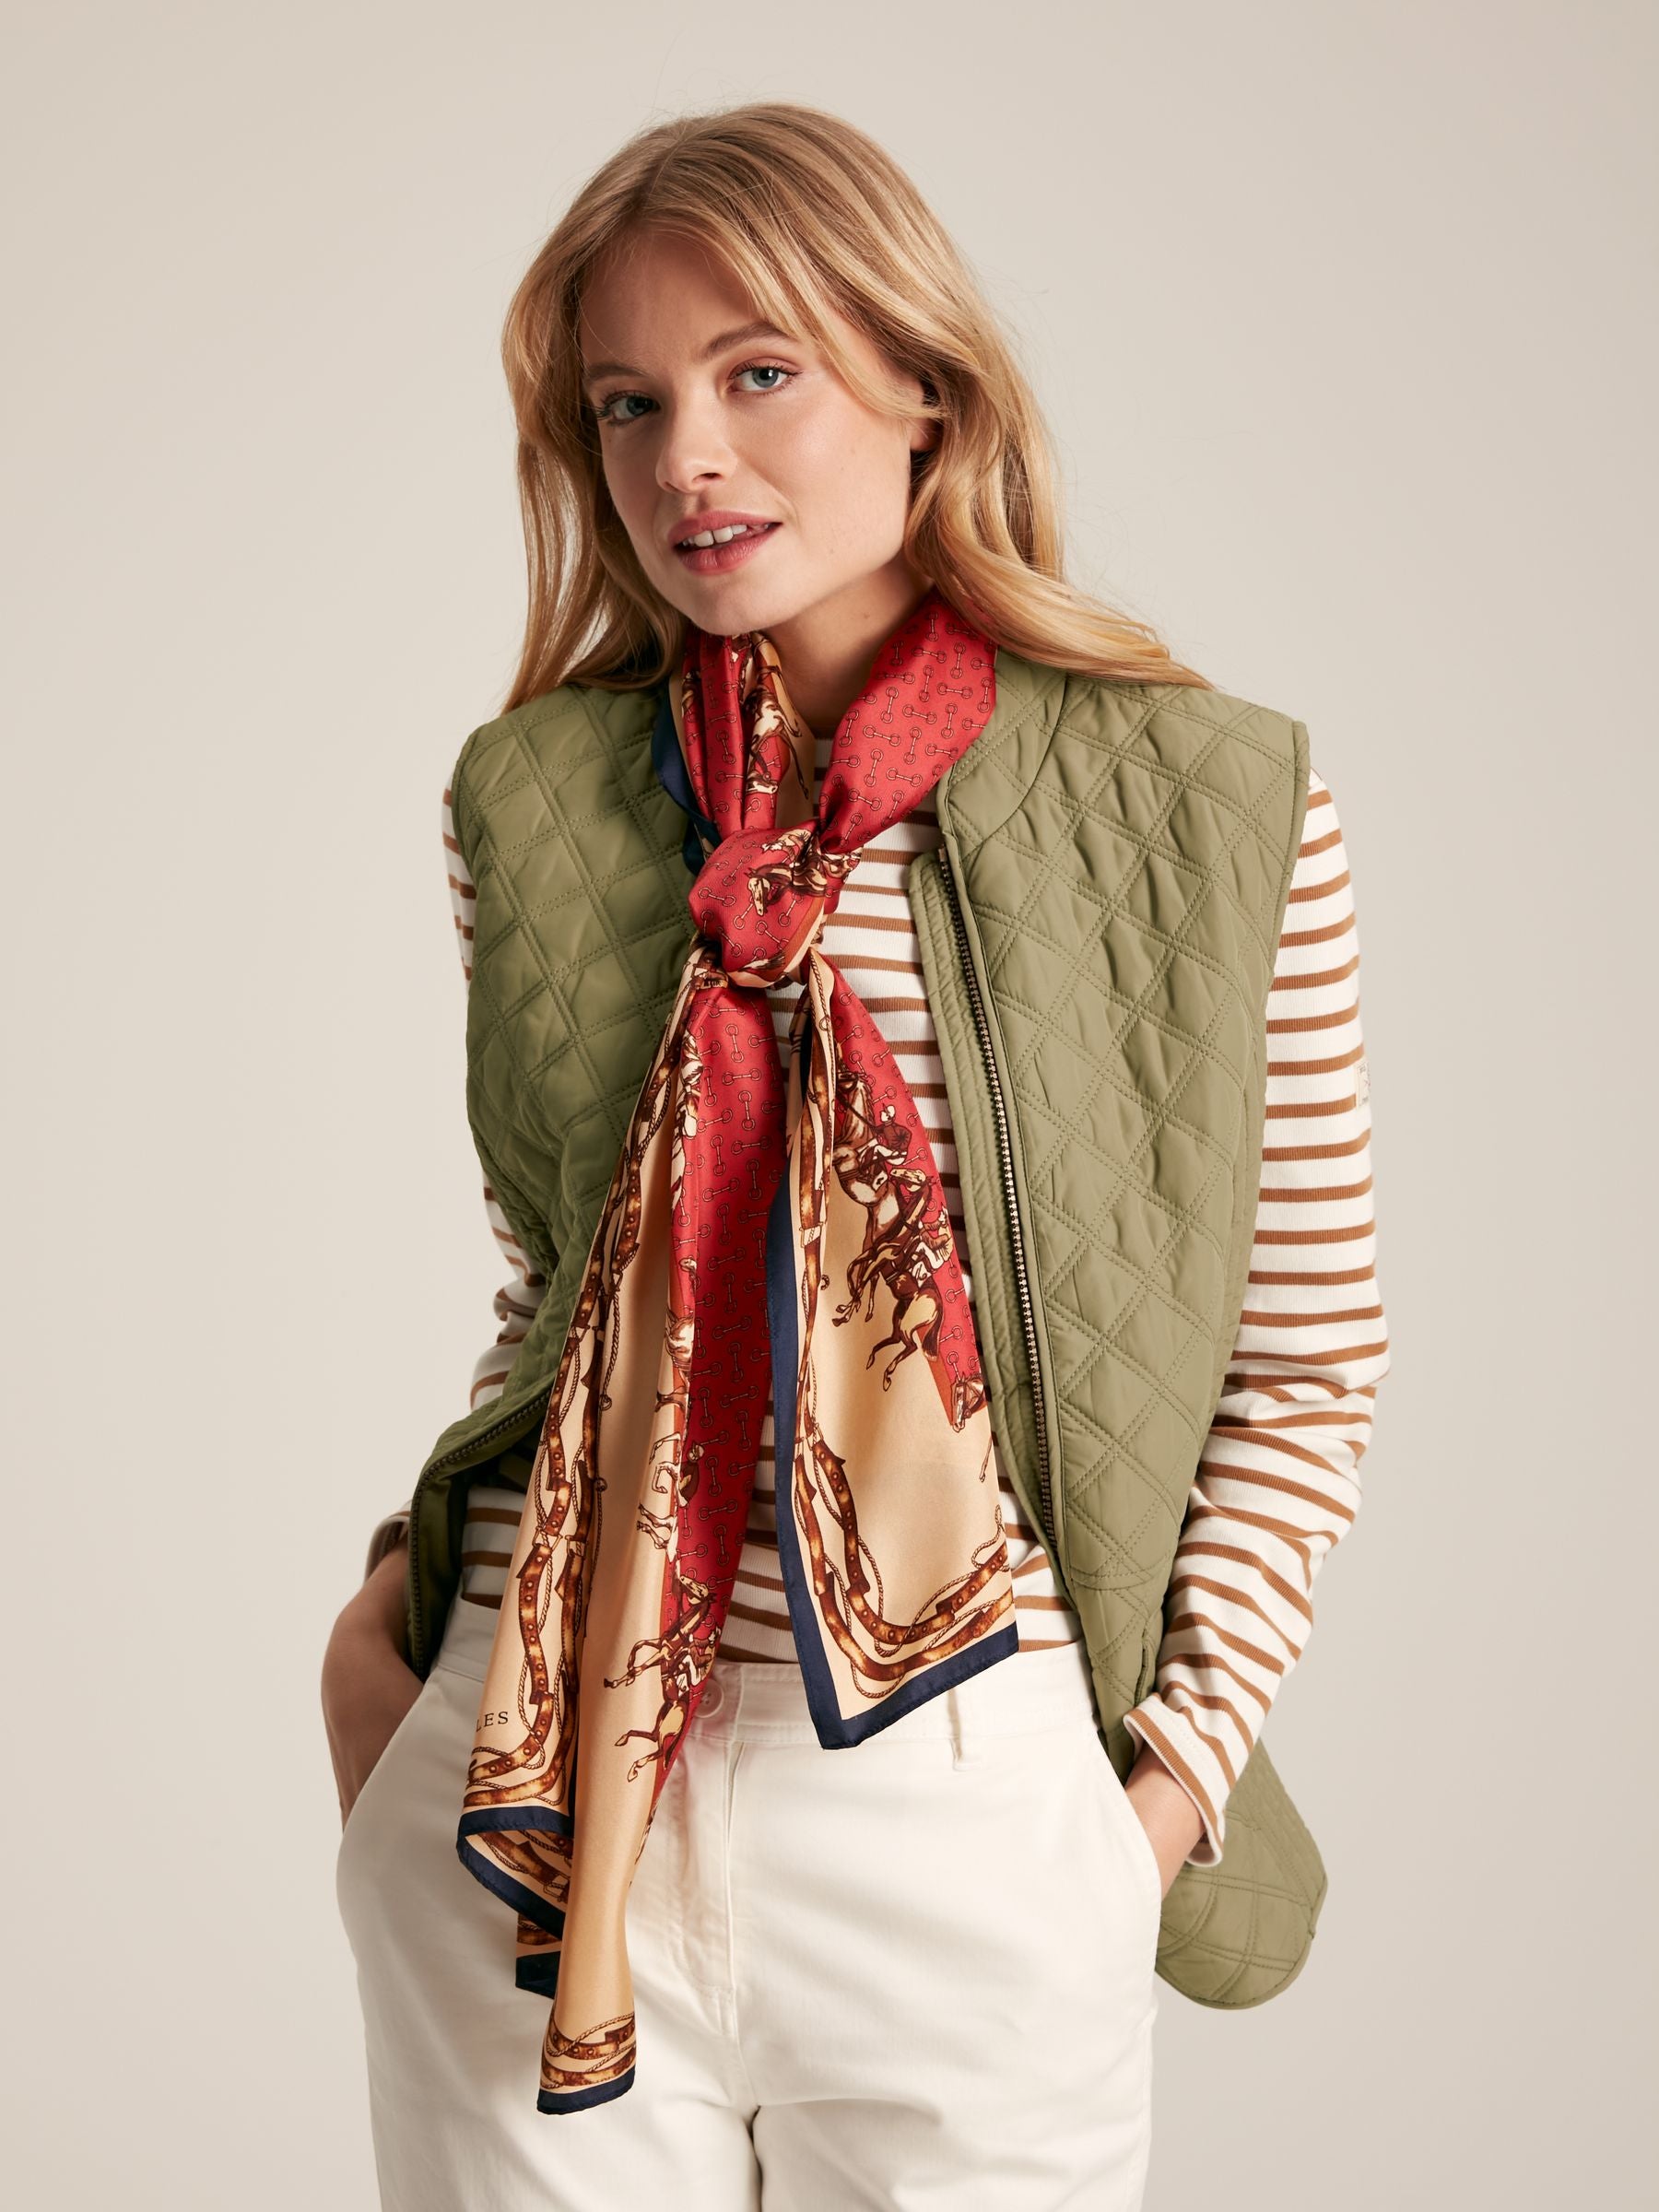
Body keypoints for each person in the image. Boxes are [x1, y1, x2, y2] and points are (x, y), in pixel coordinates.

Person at [321, 99, 1390, 2212]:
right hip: (534, 1787)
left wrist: (1146, 1814)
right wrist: (386, 1660)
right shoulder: (529, 799)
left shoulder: (1213, 804)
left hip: (963, 1814)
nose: (685, 462)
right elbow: (562, 1295)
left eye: (758, 374)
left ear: (927, 389)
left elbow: (1307, 1364)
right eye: (628, 404)